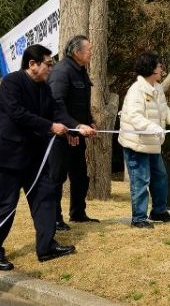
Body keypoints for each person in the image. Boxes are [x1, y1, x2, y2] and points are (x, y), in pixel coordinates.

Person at [0, 45, 93, 270]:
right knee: (6, 206)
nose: (51, 69)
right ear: (32, 64)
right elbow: (18, 114)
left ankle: (47, 246)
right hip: (9, 157)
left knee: (46, 197)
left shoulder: (45, 88)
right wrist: (51, 126)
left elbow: (58, 112)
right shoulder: (11, 83)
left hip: (36, 157)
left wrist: (78, 126)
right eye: (48, 64)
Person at [118, 52, 170, 229]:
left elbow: (164, 111)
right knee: (140, 180)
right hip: (136, 144)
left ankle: (159, 211)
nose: (162, 69)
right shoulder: (136, 90)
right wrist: (153, 128)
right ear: (151, 69)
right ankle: (139, 218)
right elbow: (134, 117)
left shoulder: (157, 88)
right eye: (159, 66)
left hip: (153, 144)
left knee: (160, 177)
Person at [47, 35, 99, 231]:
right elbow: (56, 105)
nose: (92, 53)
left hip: (77, 134)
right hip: (60, 136)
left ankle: (78, 213)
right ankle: (54, 219)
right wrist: (73, 127)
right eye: (89, 49)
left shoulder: (81, 70)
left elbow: (80, 103)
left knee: (80, 176)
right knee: (56, 178)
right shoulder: (62, 71)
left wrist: (89, 121)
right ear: (77, 52)